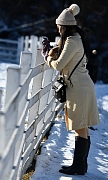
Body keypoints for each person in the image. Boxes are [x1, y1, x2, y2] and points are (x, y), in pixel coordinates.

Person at [42, 4, 100, 175]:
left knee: (80, 126)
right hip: (81, 85)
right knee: (82, 126)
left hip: (79, 88)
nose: (58, 30)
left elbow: (59, 65)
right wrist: (52, 50)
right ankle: (80, 165)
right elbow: (62, 54)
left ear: (65, 27)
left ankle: (79, 166)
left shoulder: (72, 40)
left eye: (59, 27)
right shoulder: (73, 39)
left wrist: (46, 57)